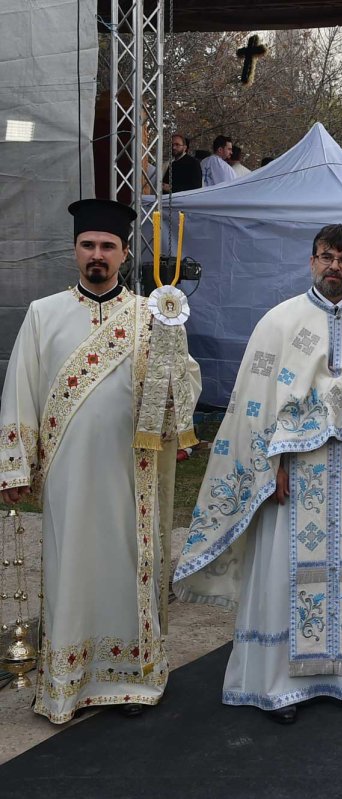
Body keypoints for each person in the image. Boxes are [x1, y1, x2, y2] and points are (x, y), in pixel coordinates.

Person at [173, 224, 342, 724]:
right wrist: (269, 465)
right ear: (311, 260)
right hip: (294, 478)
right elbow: (252, 408)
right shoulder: (279, 323)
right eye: (326, 256)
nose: (334, 267)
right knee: (287, 576)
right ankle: (280, 686)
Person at [0, 199, 201, 723]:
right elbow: (18, 390)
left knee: (126, 562)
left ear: (124, 253)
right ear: (75, 252)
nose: (97, 255)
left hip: (129, 469)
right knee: (71, 566)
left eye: (107, 246)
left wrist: (175, 365)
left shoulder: (150, 314)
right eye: (88, 245)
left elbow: (183, 386)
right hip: (67, 471)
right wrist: (14, 467)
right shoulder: (43, 313)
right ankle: (69, 683)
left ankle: (130, 679)